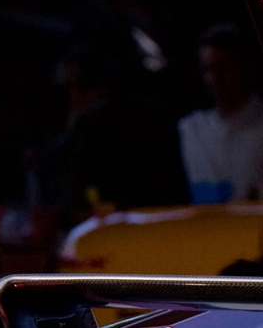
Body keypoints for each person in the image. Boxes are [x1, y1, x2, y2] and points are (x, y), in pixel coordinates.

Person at [32, 43, 189, 225]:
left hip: (112, 232)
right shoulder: (157, 114)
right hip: (169, 227)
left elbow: (74, 202)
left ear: (75, 88)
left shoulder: (87, 127)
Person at [178, 24, 263, 203]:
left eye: (224, 68)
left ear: (247, 68)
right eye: (208, 69)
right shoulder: (190, 129)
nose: (215, 78)